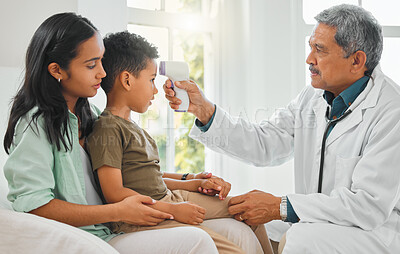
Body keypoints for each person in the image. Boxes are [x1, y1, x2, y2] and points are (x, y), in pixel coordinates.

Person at [2, 12, 261, 254]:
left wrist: (188, 178)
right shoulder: (35, 124)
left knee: (238, 228)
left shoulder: (90, 115)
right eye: (92, 65)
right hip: (91, 236)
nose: (103, 73)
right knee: (199, 239)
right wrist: (116, 211)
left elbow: (132, 171)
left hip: (113, 223)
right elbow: (35, 205)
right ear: (57, 70)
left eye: (101, 61)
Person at [164, 4, 400, 254]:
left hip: (375, 232)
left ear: (356, 60)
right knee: (253, 222)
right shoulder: (313, 97)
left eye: (319, 50)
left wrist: (280, 206)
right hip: (324, 221)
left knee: (299, 239)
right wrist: (204, 110)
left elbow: (368, 206)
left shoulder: (391, 112)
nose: (309, 59)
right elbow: (264, 144)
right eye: (310, 46)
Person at [85, 31, 272, 254]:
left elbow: (149, 177)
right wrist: (173, 210)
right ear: (127, 80)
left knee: (250, 209)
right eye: (152, 80)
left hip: (170, 198)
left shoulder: (130, 125)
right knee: (229, 249)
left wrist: (190, 181)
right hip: (145, 216)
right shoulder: (108, 128)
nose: (156, 89)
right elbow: (114, 193)